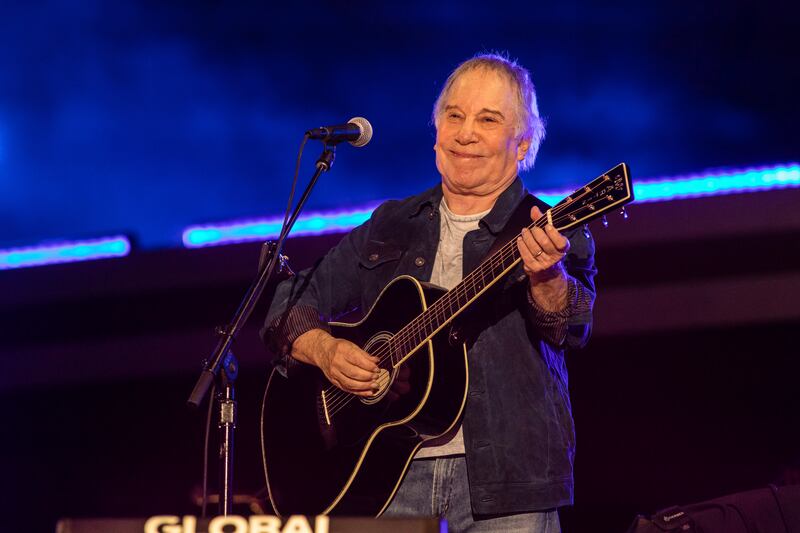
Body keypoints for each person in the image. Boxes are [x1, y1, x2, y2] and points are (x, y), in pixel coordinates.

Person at [263, 53, 596, 533]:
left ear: (521, 144)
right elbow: (287, 303)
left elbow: (570, 327)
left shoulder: (547, 228)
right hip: (388, 481)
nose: (465, 133)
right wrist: (327, 350)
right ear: (436, 129)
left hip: (509, 486)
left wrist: (547, 278)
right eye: (454, 116)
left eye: (488, 119)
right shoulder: (392, 223)